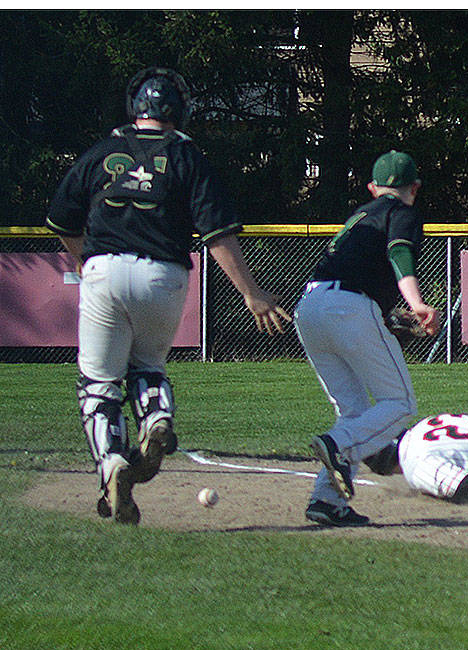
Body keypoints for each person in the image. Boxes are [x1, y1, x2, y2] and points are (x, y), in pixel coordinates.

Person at [45, 66, 293, 526]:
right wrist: (251, 292)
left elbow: (61, 220)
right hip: (163, 273)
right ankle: (156, 416)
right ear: (179, 109)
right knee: (148, 367)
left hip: (103, 269)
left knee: (98, 383)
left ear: (133, 107)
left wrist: (85, 262)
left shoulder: (102, 152)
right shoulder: (187, 156)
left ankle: (112, 464)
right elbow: (217, 234)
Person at [295, 150, 440, 527]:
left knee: (355, 412)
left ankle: (327, 501)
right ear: (415, 188)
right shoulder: (402, 211)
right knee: (400, 401)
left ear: (373, 187)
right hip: (348, 307)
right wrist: (417, 303)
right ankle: (338, 446)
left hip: (310, 307)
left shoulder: (360, 214)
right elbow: (399, 254)